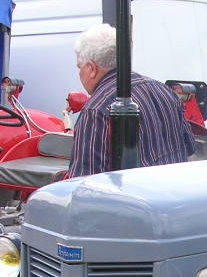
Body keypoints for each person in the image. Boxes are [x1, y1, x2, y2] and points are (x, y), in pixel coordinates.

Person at [68, 23, 194, 178]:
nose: (80, 73)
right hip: (175, 195)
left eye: (79, 67)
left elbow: (86, 182)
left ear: (92, 68)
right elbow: (189, 147)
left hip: (134, 199)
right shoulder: (165, 91)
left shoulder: (96, 111)